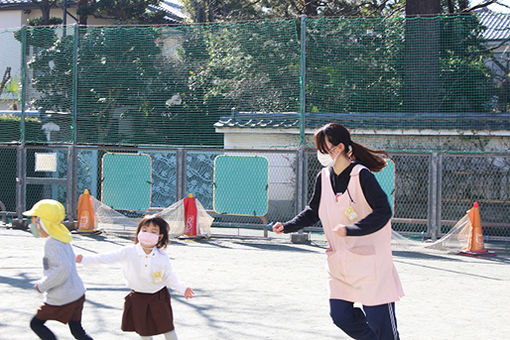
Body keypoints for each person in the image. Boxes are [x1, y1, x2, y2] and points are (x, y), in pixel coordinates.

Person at [273, 123, 404, 340]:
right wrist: (288, 226)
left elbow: (383, 211)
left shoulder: (361, 175)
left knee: (383, 327)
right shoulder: (323, 177)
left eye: (325, 149)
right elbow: (313, 210)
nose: (321, 154)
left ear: (340, 147)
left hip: (371, 265)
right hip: (340, 265)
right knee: (341, 316)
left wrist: (352, 230)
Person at [76, 215, 194, 340]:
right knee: (144, 331)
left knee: (168, 329)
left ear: (160, 237)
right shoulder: (128, 252)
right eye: (144, 230)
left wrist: (183, 288)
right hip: (138, 297)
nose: (148, 234)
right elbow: (106, 258)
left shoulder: (162, 257)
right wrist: (84, 259)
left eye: (153, 231)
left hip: (159, 297)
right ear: (138, 233)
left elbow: (169, 276)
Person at [24, 199, 93, 340]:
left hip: (63, 297)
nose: (32, 225)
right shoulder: (62, 238)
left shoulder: (51, 243)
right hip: (77, 293)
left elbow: (62, 270)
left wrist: (42, 285)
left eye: (34, 221)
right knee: (77, 331)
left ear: (43, 222)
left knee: (36, 324)